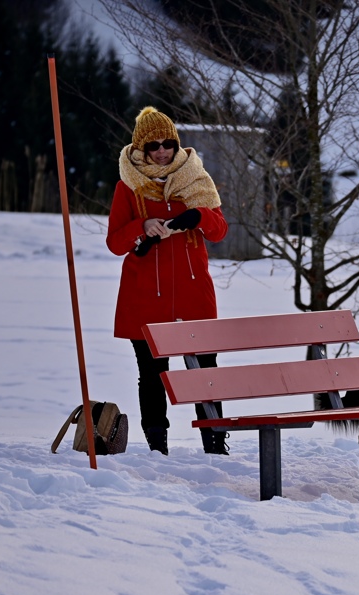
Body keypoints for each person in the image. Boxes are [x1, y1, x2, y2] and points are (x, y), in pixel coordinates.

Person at [106, 106, 229, 455]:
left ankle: (216, 444)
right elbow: (115, 242)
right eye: (154, 145)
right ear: (140, 149)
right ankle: (157, 448)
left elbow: (219, 231)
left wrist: (200, 215)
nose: (162, 151)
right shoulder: (127, 187)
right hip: (145, 298)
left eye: (168, 144)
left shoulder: (196, 181)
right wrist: (141, 227)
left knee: (206, 371)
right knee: (153, 373)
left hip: (194, 297)